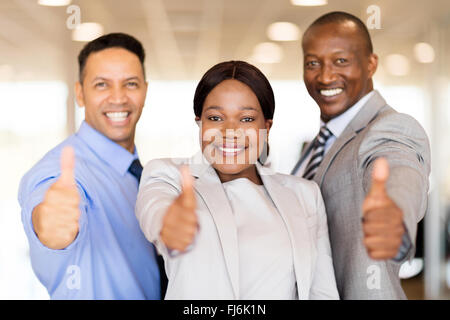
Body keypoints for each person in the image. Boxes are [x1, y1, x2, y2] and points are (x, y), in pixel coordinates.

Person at [135, 60, 339, 300]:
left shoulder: (305, 195)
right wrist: (169, 226)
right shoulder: (169, 176)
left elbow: (322, 292)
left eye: (246, 119)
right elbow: (155, 211)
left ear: (266, 126)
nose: (230, 132)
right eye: (215, 118)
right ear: (199, 123)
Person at [291, 12, 431, 299]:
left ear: (370, 64)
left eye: (341, 60)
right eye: (313, 63)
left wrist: (394, 216)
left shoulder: (389, 128)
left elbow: (398, 168)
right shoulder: (317, 145)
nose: (325, 76)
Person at [18, 33, 166, 299]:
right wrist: (49, 224)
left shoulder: (136, 171)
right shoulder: (60, 172)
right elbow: (50, 216)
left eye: (130, 84)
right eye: (102, 85)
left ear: (145, 90)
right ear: (80, 93)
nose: (118, 98)